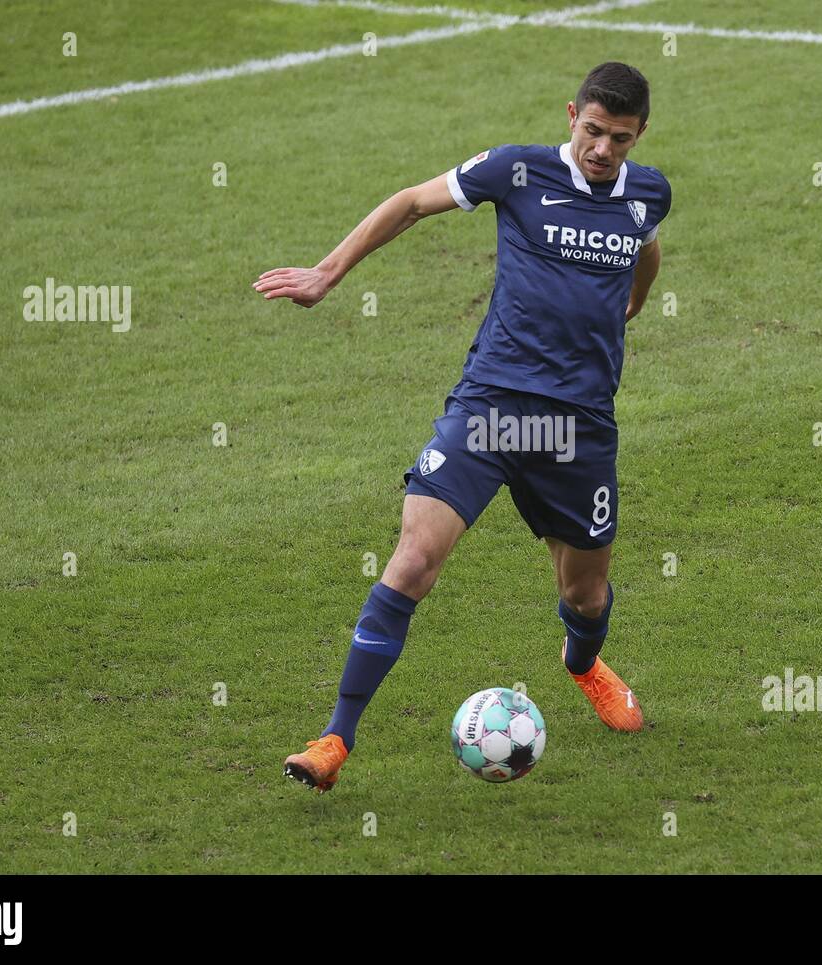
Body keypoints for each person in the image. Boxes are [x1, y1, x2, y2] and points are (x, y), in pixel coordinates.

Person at [254, 62, 671, 792]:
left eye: (620, 139)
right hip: (491, 410)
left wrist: (634, 299)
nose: (603, 149)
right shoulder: (516, 172)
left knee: (586, 596)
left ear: (640, 137)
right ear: (572, 114)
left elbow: (646, 245)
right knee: (414, 559)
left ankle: (583, 666)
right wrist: (329, 272)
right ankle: (334, 738)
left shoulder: (647, 192)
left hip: (577, 430)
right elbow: (414, 202)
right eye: (593, 131)